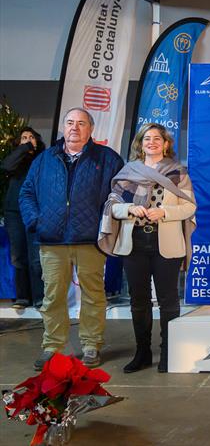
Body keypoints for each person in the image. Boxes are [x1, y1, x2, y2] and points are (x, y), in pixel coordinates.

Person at [19, 108, 123, 369]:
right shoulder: (44, 159)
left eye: (81, 123)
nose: (75, 127)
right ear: (63, 127)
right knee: (53, 296)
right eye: (70, 123)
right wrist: (36, 221)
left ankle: (91, 345)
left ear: (91, 129)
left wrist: (106, 225)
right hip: (52, 241)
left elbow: (122, 193)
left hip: (90, 240)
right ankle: (52, 347)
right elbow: (27, 193)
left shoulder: (107, 158)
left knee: (93, 294)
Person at [98, 123, 196, 373]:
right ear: (140, 144)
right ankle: (142, 353)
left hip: (166, 243)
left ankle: (169, 353)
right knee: (138, 301)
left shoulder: (178, 172)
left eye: (157, 139)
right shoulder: (128, 171)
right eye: (147, 139)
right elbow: (112, 204)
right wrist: (129, 208)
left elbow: (189, 207)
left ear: (166, 144)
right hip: (134, 243)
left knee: (168, 300)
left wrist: (164, 212)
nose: (151, 142)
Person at [2, 127, 46, 310]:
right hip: (14, 212)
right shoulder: (15, 160)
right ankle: (22, 297)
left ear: (38, 141)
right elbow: (5, 166)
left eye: (32, 137)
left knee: (36, 256)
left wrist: (31, 148)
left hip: (35, 211)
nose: (28, 140)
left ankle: (39, 297)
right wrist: (24, 148)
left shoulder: (42, 159)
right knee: (18, 255)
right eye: (24, 138)